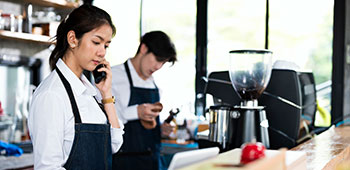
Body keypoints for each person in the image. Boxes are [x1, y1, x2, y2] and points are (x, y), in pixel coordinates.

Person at [28, 4, 124, 170]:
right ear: (72, 39)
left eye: (106, 45)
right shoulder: (52, 95)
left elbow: (115, 144)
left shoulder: (89, 92)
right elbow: (47, 167)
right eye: (96, 42)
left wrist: (106, 94)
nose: (102, 52)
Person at [111, 31, 177, 170]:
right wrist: (136, 112)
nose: (158, 67)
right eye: (158, 59)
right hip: (124, 162)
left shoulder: (154, 85)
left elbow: (148, 126)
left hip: (153, 161)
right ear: (143, 48)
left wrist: (160, 130)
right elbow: (106, 121)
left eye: (163, 62)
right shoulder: (113, 77)